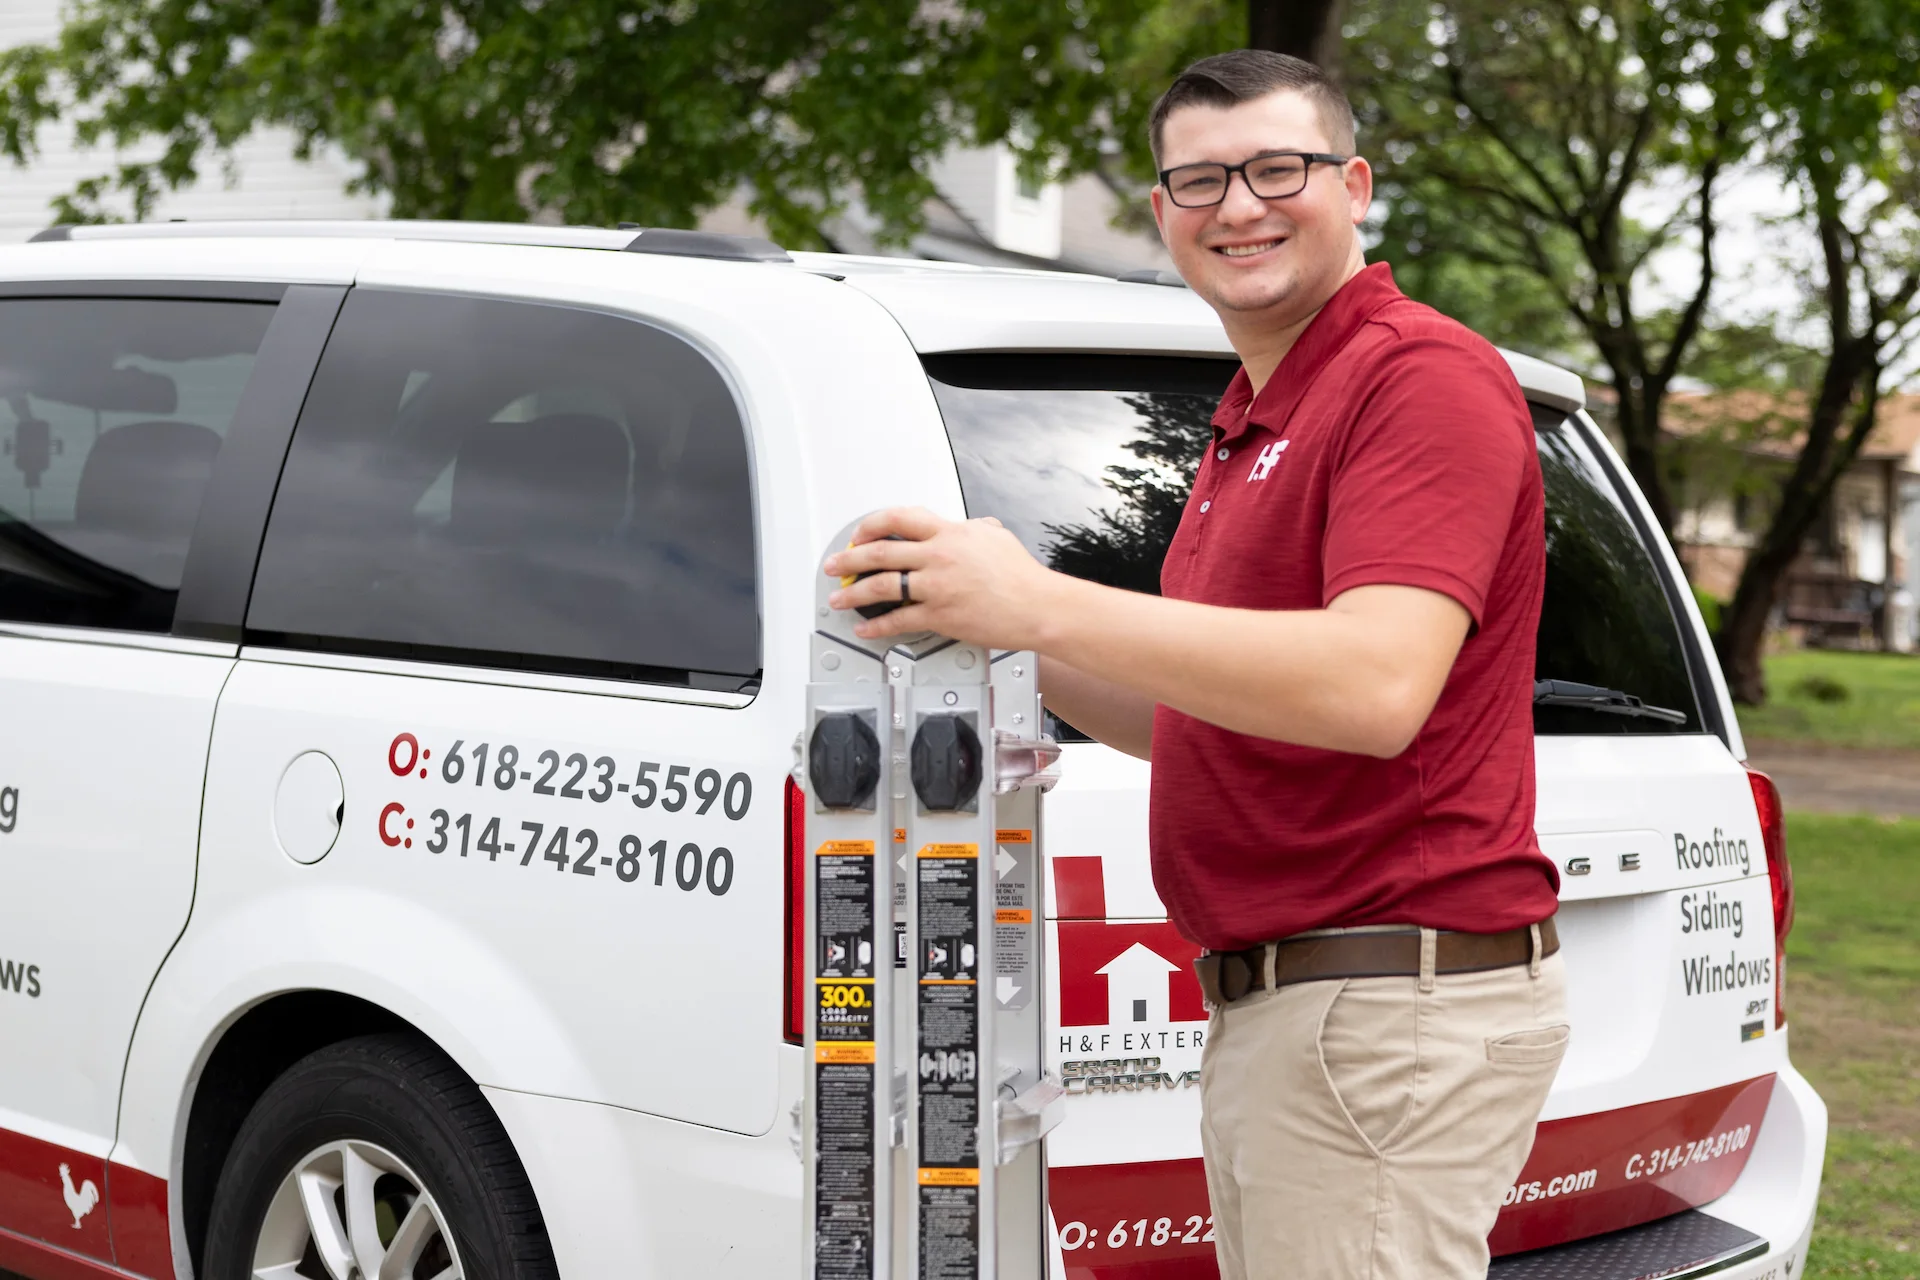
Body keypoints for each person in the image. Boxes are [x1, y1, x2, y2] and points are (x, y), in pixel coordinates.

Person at [822, 48, 1566, 1280]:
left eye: (1280, 168)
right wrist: (1010, 628)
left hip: (1378, 1011)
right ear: (1162, 209)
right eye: (1201, 179)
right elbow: (1198, 723)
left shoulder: (1415, 378)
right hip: (1304, 1015)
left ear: (1357, 184)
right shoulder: (1251, 415)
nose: (1240, 207)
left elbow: (1376, 687)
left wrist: (1042, 592)